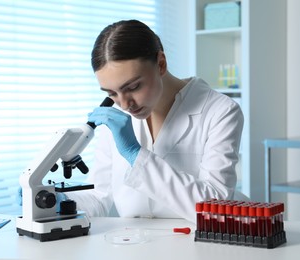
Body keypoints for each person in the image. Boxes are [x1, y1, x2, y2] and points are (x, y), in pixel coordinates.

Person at [66, 19, 244, 223]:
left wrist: (136, 155)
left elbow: (215, 209)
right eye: (112, 93)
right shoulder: (114, 117)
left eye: (133, 87)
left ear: (161, 64)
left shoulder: (220, 111)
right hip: (135, 245)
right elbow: (99, 197)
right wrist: (55, 201)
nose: (124, 104)